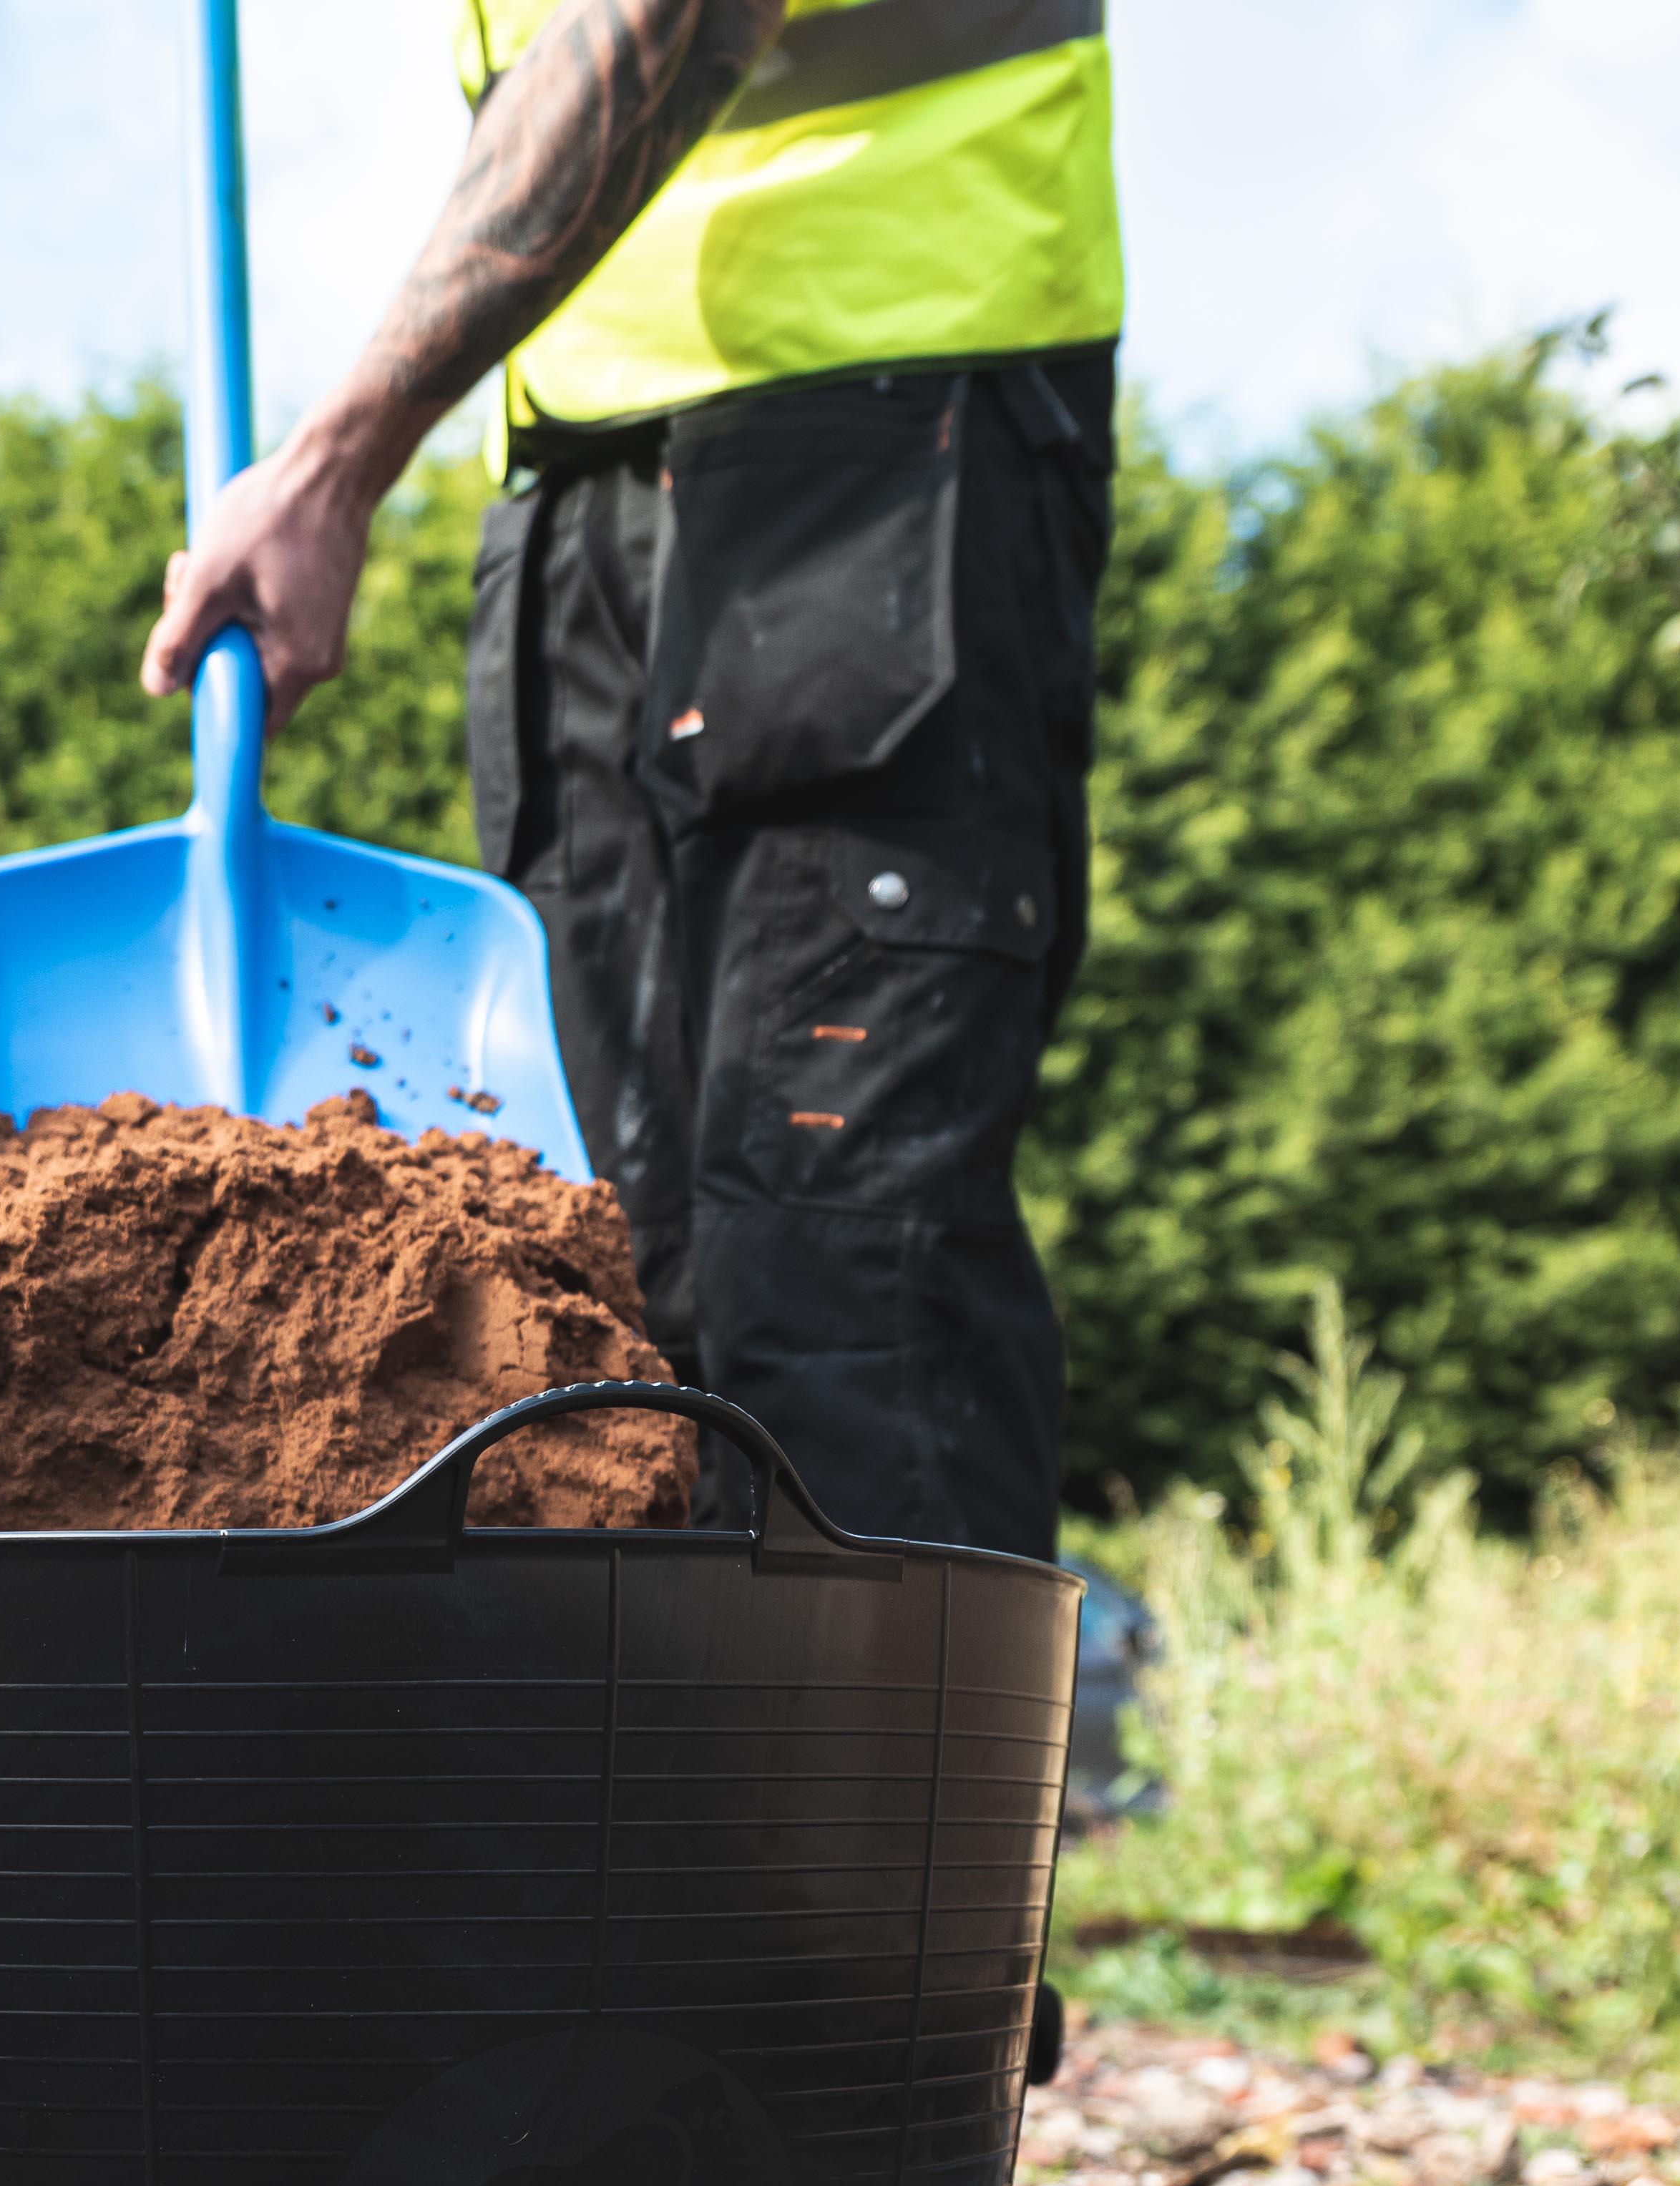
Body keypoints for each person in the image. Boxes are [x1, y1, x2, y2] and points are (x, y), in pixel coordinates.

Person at [140, 0, 1120, 1557]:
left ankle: (885, 1810)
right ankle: (648, 1810)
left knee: (839, 1282)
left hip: (890, 415)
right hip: (578, 481)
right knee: (602, 1304)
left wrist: (336, 460)